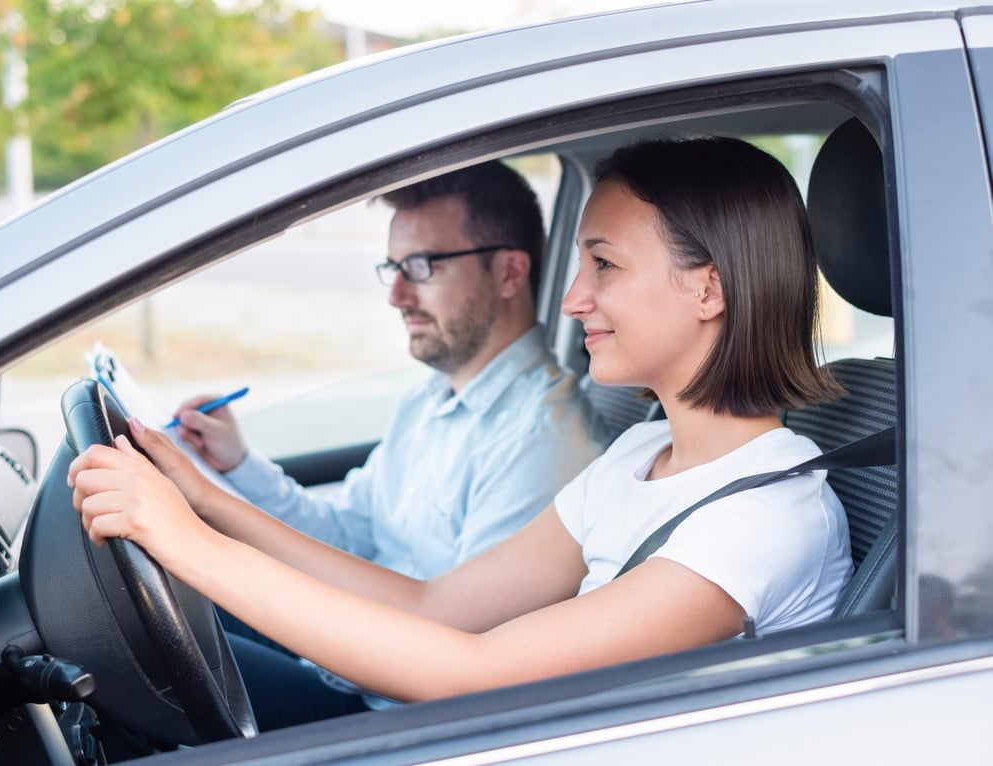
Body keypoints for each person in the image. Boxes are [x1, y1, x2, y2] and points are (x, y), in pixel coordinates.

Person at [68, 136, 853, 732]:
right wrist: (203, 498)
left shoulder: (762, 520)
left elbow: (474, 672)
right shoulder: (641, 455)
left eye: (603, 265)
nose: (573, 298)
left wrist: (187, 543)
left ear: (707, 288)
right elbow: (437, 606)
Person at [171, 161, 607, 585]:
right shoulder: (428, 401)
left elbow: (458, 637)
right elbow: (345, 535)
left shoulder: (542, 442)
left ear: (509, 273)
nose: (396, 296)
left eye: (421, 267)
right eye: (395, 268)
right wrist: (237, 463)